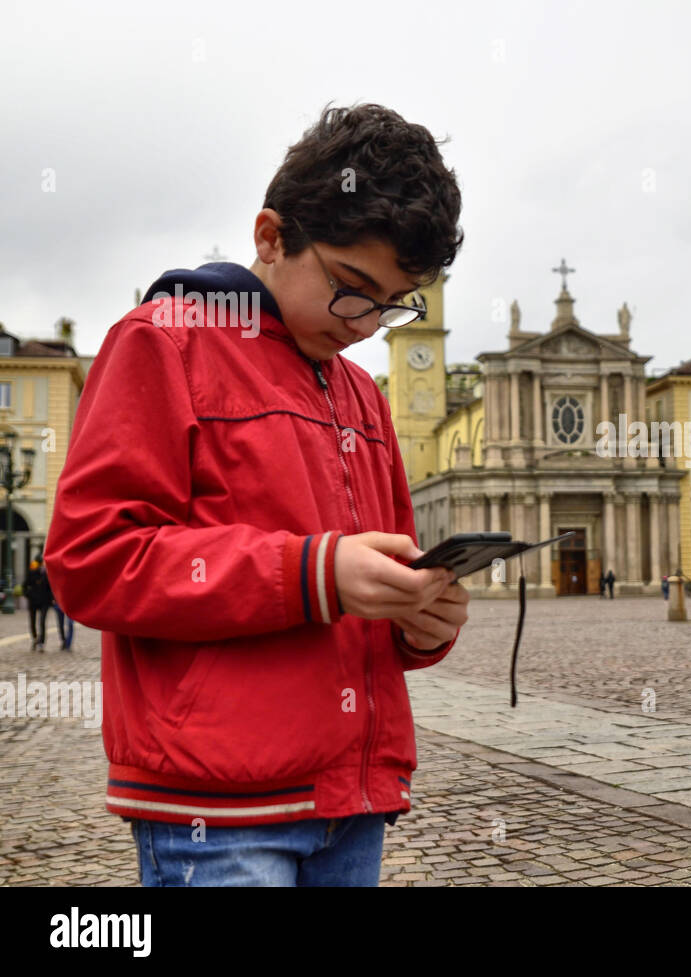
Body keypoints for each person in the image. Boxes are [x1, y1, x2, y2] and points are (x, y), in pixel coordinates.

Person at [43, 104, 470, 887]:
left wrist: (419, 620)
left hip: (355, 797)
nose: (370, 325)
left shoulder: (364, 397)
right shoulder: (161, 342)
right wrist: (313, 572)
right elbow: (90, 559)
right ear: (271, 237)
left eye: (397, 301)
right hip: (218, 811)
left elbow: (368, 586)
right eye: (352, 288)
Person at [24, 556, 54, 652]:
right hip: (33, 601)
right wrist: (28, 595)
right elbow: (24, 586)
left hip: (44, 602)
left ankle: (41, 642)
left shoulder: (47, 574)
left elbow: (51, 588)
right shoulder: (31, 573)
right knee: (32, 622)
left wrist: (52, 599)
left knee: (42, 622)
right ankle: (35, 638)